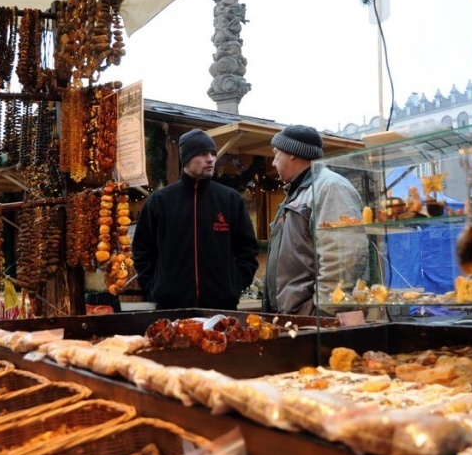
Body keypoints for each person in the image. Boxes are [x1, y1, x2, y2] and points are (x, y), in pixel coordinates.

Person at [133, 128, 260, 311]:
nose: (210, 159)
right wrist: (156, 287)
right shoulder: (160, 201)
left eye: (213, 153)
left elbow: (248, 249)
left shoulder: (230, 199)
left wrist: (234, 285)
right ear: (186, 158)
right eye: (202, 153)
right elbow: (142, 250)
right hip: (171, 309)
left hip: (221, 309)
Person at [263, 125, 366, 315]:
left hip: (313, 318)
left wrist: (324, 311)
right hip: (295, 315)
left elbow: (342, 257)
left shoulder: (330, 187)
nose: (273, 163)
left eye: (276, 154)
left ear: (291, 154)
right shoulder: (297, 192)